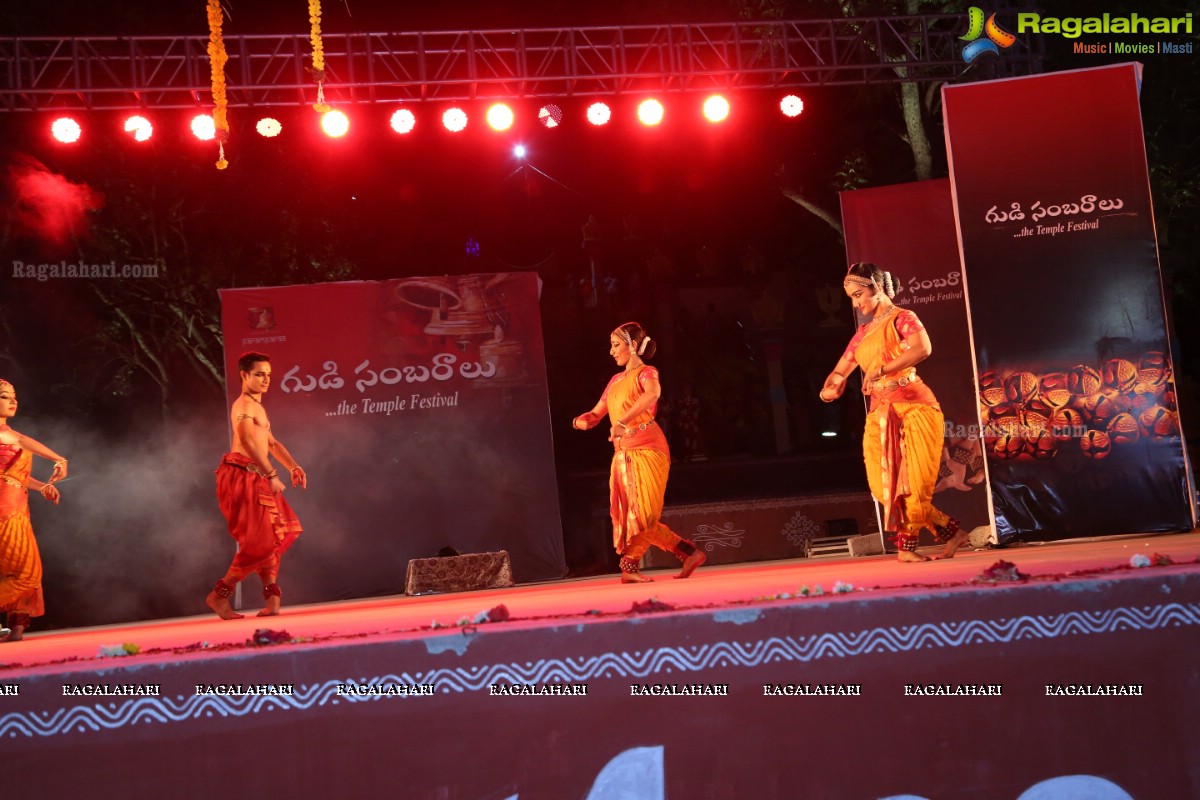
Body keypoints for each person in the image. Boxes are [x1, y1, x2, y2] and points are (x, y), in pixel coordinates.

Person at [819, 263, 968, 562]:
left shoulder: (903, 318)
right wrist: (831, 388)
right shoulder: (862, 334)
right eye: (851, 297)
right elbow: (840, 370)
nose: (856, 302)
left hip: (915, 406)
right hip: (879, 413)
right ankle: (952, 532)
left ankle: (906, 549)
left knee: (914, 483)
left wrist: (881, 369)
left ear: (877, 286)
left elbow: (922, 348)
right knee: (882, 485)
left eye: (859, 294)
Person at [573, 322, 705, 583]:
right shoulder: (614, 381)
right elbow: (597, 413)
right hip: (622, 454)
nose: (612, 352)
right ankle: (669, 557)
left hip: (648, 448)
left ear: (632, 346)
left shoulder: (647, 372)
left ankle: (680, 554)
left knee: (644, 516)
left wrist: (622, 422)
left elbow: (652, 395)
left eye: (616, 345)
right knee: (631, 517)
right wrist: (583, 420)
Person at [208, 352, 307, 619]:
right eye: (259, 374)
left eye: (268, 375)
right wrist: (273, 473)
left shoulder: (257, 406)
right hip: (241, 476)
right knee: (260, 542)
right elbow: (249, 442)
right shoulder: (243, 406)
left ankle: (272, 600)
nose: (265, 380)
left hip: (257, 475)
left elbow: (270, 443)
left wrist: (293, 466)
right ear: (244, 375)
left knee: (274, 535)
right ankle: (220, 595)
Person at [0, 379, 67, 643]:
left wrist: (41, 487)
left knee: (19, 572)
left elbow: (12, 474)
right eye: (5, 396)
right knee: (27, 574)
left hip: (18, 508)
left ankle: (16, 629)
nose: (13, 401)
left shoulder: (8, 435)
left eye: (14, 396)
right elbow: (22, 441)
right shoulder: (9, 436)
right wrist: (59, 459)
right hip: (5, 511)